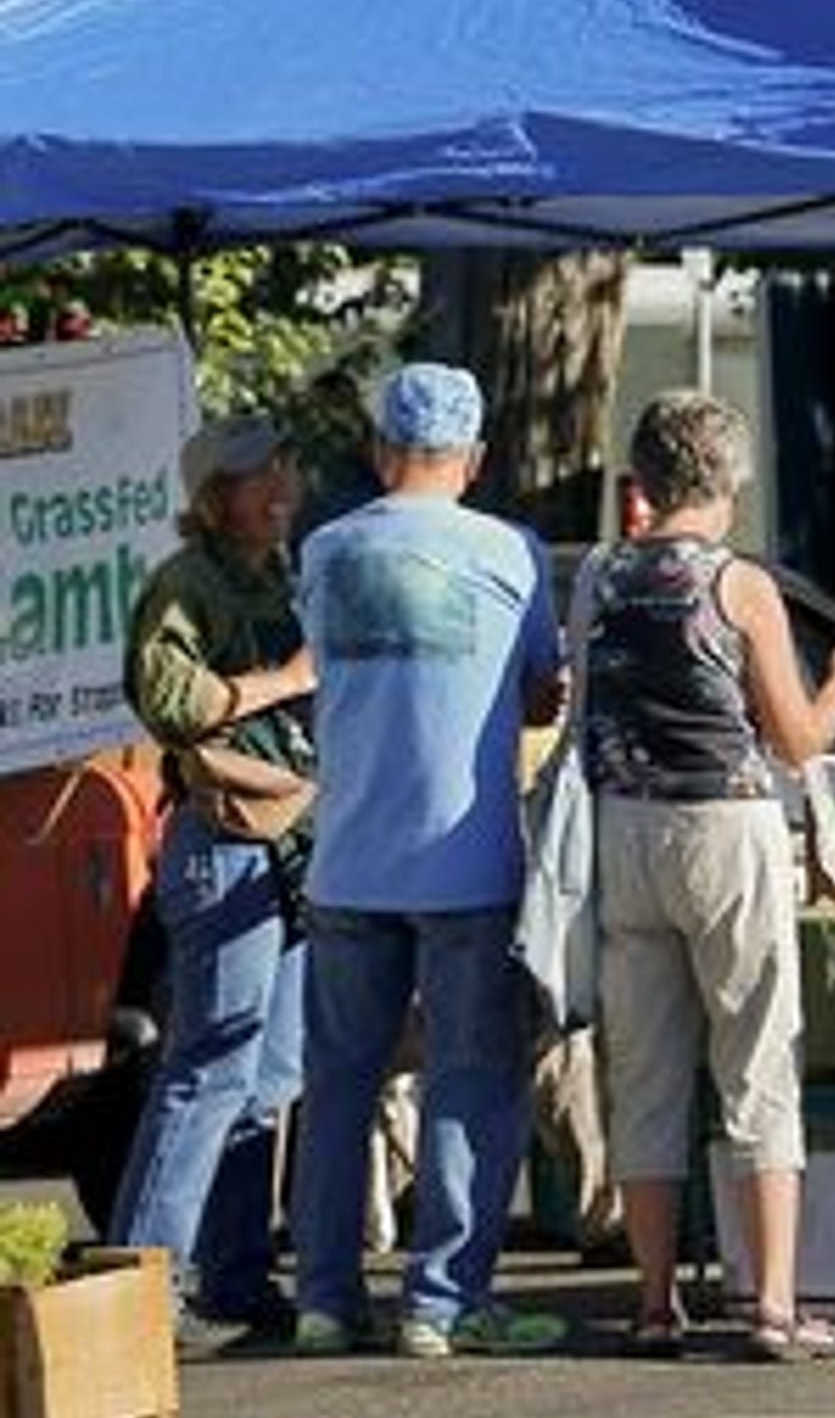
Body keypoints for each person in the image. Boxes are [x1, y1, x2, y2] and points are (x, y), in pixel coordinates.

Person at [584, 389, 835, 1361]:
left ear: (643, 475)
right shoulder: (739, 584)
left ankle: (650, 1303)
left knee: (643, 1075)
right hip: (725, 824)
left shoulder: (598, 576)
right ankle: (771, 1304)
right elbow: (798, 741)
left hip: (623, 826)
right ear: (727, 476)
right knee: (756, 1059)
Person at [289, 363, 572, 1357]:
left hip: (346, 858)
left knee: (337, 1085)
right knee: (466, 1080)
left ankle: (323, 1299)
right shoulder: (511, 552)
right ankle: (442, 1304)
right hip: (466, 861)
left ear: (378, 450)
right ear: (477, 457)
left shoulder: (324, 551)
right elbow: (544, 693)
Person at [113, 417, 316, 1356]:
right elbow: (174, 702)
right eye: (254, 476)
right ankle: (140, 1288)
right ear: (213, 498)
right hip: (223, 841)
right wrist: (286, 678)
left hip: (286, 844)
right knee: (207, 1070)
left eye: (281, 468)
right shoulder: (183, 584)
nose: (278, 487)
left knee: (268, 1076)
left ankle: (237, 1274)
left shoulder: (282, 573)